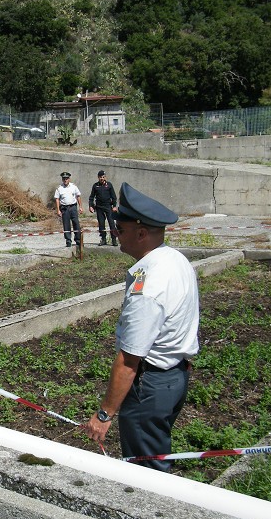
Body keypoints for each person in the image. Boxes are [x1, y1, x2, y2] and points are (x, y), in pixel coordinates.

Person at [83, 183, 199, 472]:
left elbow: (129, 361)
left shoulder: (147, 289)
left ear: (141, 233)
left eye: (120, 230)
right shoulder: (175, 259)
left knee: (146, 470)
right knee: (155, 451)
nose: (114, 233)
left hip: (150, 387)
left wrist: (104, 414)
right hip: (175, 376)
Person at [88, 170, 118, 247]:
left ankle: (114, 239)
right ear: (98, 177)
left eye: (103, 177)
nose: (102, 178)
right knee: (101, 224)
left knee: (111, 223)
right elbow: (91, 197)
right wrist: (91, 206)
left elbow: (114, 197)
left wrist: (114, 206)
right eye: (100, 177)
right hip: (99, 207)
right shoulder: (95, 186)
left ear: (105, 177)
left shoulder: (109, 185)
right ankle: (103, 239)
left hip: (108, 206)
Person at [54, 171, 82, 248]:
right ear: (62, 179)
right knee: (66, 225)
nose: (65, 180)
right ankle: (68, 241)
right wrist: (58, 210)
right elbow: (57, 199)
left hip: (73, 207)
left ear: (69, 179)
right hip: (64, 208)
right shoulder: (59, 188)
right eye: (64, 179)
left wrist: (80, 207)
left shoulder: (74, 187)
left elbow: (78, 196)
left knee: (76, 223)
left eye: (66, 178)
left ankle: (78, 240)